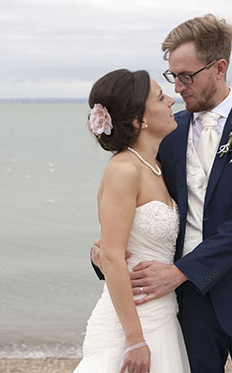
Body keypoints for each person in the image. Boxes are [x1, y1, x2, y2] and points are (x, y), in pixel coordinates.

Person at [91, 14, 232, 373]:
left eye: (187, 76)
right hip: (187, 308)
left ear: (219, 68)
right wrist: (106, 253)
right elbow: (140, 199)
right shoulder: (167, 131)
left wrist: (182, 271)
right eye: (172, 76)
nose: (178, 88)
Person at [74, 69, 191, 373]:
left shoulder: (155, 167)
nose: (171, 100)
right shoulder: (124, 169)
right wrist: (135, 339)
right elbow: (112, 256)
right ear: (140, 120)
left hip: (163, 316)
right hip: (131, 327)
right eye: (161, 97)